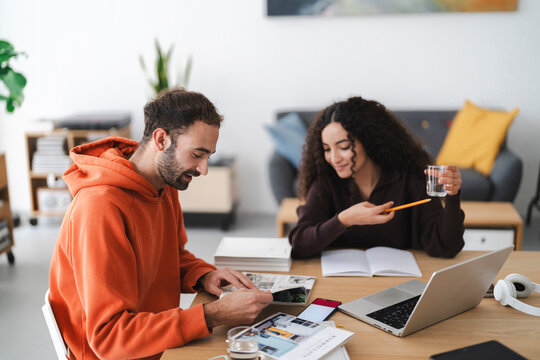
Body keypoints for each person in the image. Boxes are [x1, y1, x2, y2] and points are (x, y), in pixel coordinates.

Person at [48, 88, 273, 359]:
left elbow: (169, 257)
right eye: (197, 154)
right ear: (161, 139)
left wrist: (204, 274)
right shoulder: (99, 208)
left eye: (208, 156)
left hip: (158, 342)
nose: (204, 169)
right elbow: (109, 338)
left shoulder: (164, 185)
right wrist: (211, 315)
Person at [289, 96, 465, 259]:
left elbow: (446, 247)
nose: (334, 159)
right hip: (341, 283)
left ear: (368, 140)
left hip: (402, 282)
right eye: (327, 149)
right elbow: (299, 243)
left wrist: (452, 195)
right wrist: (344, 220)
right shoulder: (326, 184)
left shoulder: (410, 180)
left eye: (343, 147)